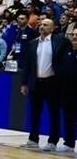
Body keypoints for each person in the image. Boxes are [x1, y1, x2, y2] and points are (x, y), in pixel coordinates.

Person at [18, 17, 66, 151]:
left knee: (54, 113)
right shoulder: (33, 43)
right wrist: (24, 82)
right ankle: (33, 139)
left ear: (52, 28)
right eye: (41, 24)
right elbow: (28, 65)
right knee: (34, 112)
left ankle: (53, 141)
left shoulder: (60, 41)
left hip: (52, 82)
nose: (41, 26)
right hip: (36, 82)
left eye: (45, 25)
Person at [59, 29, 77, 155]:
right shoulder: (67, 51)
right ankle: (69, 143)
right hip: (68, 91)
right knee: (68, 118)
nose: (74, 37)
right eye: (73, 34)